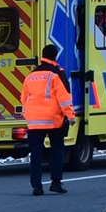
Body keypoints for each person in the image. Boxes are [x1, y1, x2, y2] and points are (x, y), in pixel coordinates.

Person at [22, 43, 74, 196]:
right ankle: (55, 183)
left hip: (34, 121)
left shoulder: (31, 75)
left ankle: (36, 187)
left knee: (35, 154)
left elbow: (24, 98)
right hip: (53, 120)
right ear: (55, 56)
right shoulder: (56, 73)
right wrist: (70, 115)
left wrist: (28, 114)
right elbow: (64, 97)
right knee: (57, 150)